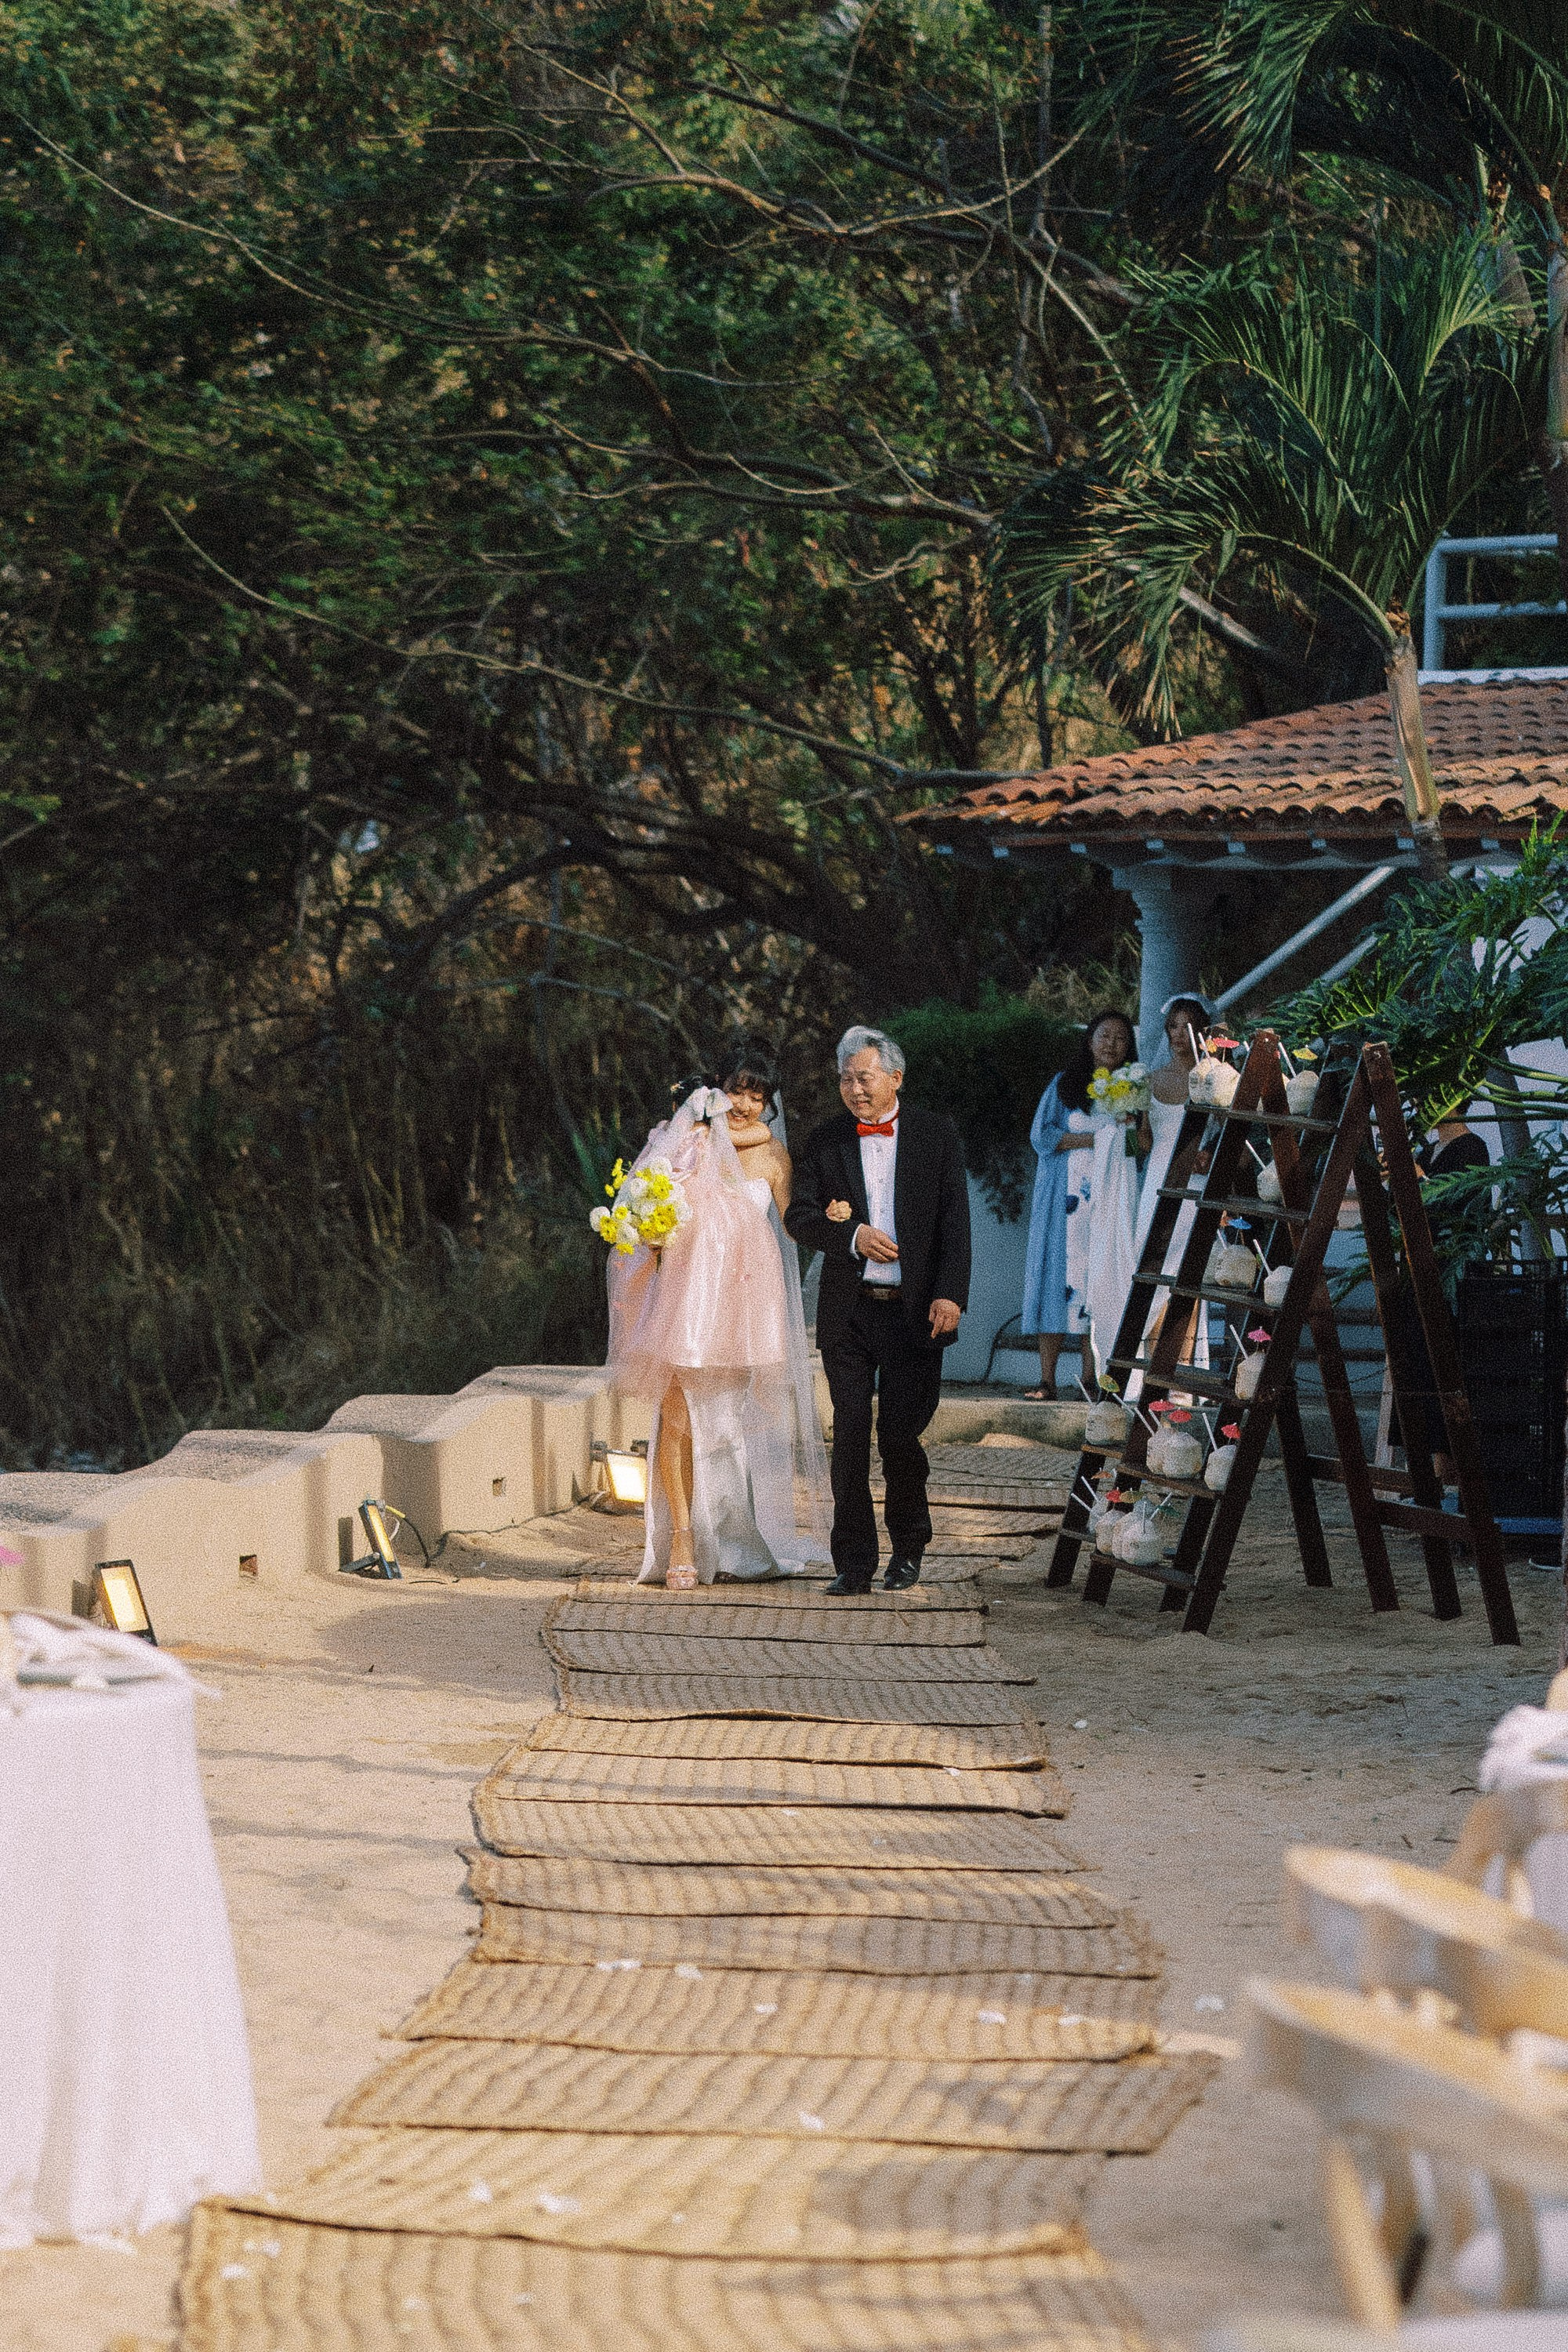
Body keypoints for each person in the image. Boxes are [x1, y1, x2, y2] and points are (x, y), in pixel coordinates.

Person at [604, 1040, 831, 1588]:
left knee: (728, 1429)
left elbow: (795, 1226)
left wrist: (835, 1217)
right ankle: (683, 1538)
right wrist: (651, 1232)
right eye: (737, 1091)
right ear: (717, 1090)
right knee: (676, 1421)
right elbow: (642, 1206)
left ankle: (729, 1539)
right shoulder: (690, 1141)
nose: (746, 1105)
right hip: (685, 1306)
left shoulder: (774, 1157)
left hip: (743, 1311)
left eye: (758, 1096)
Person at [785, 1025, 970, 1595]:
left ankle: (908, 1549)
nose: (855, 1090)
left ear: (895, 1078)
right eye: (846, 1079)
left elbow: (955, 1224)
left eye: (864, 1078)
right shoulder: (826, 1140)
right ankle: (854, 1562)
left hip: (914, 1313)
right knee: (849, 1435)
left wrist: (950, 1294)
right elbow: (799, 1216)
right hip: (849, 1313)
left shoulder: (936, 1135)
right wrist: (852, 1236)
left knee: (899, 1436)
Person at [1021, 1008, 1144, 1397]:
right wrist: (1098, 1140)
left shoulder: (1132, 1089)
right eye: (1104, 1035)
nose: (1111, 1044)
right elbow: (1043, 1136)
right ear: (1090, 1040)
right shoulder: (1065, 1085)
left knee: (1098, 1279)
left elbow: (1135, 1149)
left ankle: (1091, 1379)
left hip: (1108, 1199)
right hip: (1064, 1201)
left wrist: (1124, 1130)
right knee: (1056, 1280)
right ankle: (1047, 1379)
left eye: (1121, 1038)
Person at [1128, 995, 1215, 1391]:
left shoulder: (1214, 1077)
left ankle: (1179, 1373)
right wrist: (1128, 1119)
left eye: (1188, 1026)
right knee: (1153, 1263)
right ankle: (1148, 1372)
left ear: (1203, 1031)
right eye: (1174, 1026)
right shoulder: (1149, 1079)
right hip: (1157, 1179)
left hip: (1195, 1181)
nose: (1180, 1034)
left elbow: (1226, 1134)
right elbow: (1144, 1143)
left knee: (1186, 1271)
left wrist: (1208, 1155)